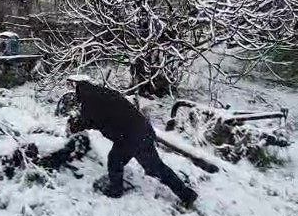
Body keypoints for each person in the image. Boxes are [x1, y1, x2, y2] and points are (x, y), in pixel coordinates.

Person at [65, 75, 198, 207]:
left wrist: (73, 124)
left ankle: (186, 194)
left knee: (153, 167)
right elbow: (100, 119)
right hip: (138, 131)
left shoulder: (90, 103)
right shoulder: (103, 93)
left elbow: (86, 122)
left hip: (132, 137)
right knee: (117, 160)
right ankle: (116, 189)